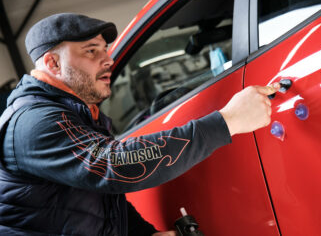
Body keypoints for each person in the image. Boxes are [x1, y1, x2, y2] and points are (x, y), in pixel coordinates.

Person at [0, 13, 280, 236]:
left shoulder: (76, 114)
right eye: (91, 51)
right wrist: (226, 121)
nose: (107, 60)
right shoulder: (33, 122)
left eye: (105, 49)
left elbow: (97, 196)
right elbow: (116, 165)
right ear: (53, 63)